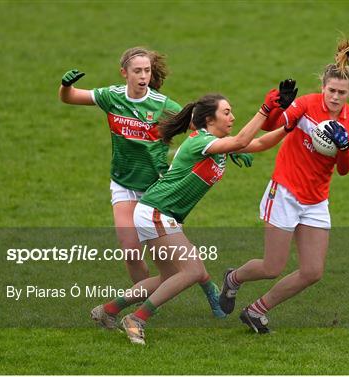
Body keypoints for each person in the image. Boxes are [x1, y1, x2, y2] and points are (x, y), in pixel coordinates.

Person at [90, 80, 298, 344]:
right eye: (226, 112)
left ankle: (107, 310)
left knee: (171, 276)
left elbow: (256, 144)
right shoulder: (200, 142)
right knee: (190, 271)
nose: (232, 116)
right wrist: (265, 109)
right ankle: (137, 319)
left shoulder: (215, 143)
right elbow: (243, 140)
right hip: (157, 212)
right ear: (209, 119)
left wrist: (288, 126)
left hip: (158, 213)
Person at [218, 30, 349, 333]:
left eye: (342, 93)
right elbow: (276, 126)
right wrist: (278, 106)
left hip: (315, 200)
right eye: (331, 91)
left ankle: (257, 311)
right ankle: (233, 278)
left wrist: (341, 148)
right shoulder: (307, 104)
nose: (335, 97)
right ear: (323, 87)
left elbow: (344, 169)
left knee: (313, 271)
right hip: (285, 191)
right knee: (271, 267)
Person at [58, 46, 225, 317]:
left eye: (147, 70)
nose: (143, 75)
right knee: (131, 253)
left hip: (155, 190)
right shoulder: (111, 97)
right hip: (123, 185)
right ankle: (143, 298)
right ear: (124, 73)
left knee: (174, 257)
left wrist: (227, 148)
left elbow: (201, 128)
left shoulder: (162, 105)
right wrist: (65, 86)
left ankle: (208, 286)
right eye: (137, 71)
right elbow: (70, 98)